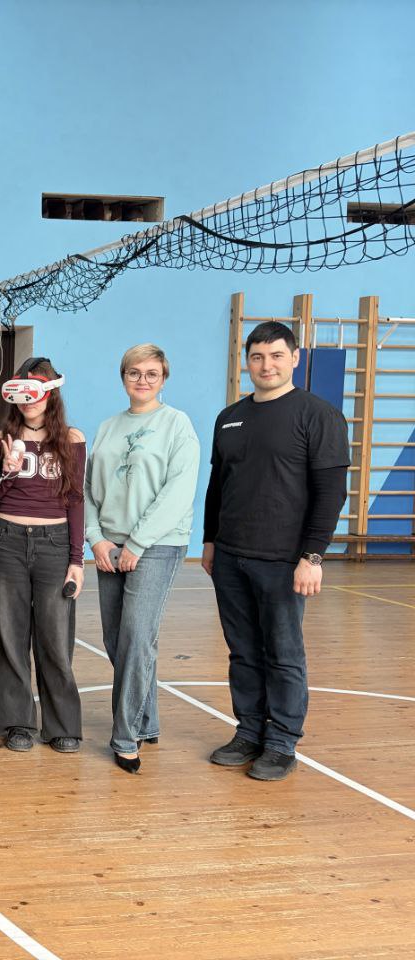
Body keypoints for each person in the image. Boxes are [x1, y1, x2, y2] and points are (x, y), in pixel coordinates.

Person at [202, 321, 348, 781]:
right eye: (258, 357)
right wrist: (210, 540)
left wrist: (313, 556)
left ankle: (282, 743)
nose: (267, 365)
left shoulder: (318, 415)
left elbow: (331, 492)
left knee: (283, 654)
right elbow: (217, 486)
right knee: (243, 651)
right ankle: (249, 732)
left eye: (277, 356)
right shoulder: (229, 417)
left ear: (295, 358)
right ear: (247, 361)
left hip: (285, 561)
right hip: (230, 556)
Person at [85, 344, 200, 774]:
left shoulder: (177, 424)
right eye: (135, 372)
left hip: (157, 544)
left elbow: (179, 491)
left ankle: (125, 735)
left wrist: (137, 543)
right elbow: (88, 489)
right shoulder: (108, 427)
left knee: (136, 636)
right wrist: (96, 540)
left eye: (152, 373)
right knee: (117, 640)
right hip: (109, 545)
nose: (143, 380)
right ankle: (147, 719)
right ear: (123, 377)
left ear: (164, 378)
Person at [0, 356, 86, 754]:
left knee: (55, 637)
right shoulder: (2, 438)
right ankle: (17, 723)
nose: (29, 401)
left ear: (51, 393)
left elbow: (75, 500)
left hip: (54, 544)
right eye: (22, 393)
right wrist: (8, 470)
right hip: (7, 541)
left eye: (37, 392)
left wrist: (77, 560)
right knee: (10, 636)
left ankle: (62, 725)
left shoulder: (72, 439)